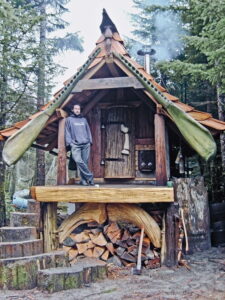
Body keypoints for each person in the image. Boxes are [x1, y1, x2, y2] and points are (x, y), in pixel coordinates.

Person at [65, 103, 94, 186]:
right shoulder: (69, 119)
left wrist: (90, 141)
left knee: (84, 162)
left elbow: (88, 130)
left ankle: (83, 180)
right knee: (78, 160)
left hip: (86, 144)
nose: (77, 110)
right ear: (73, 110)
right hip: (75, 144)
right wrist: (70, 143)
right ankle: (90, 176)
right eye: (76, 108)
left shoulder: (83, 120)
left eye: (79, 109)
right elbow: (67, 132)